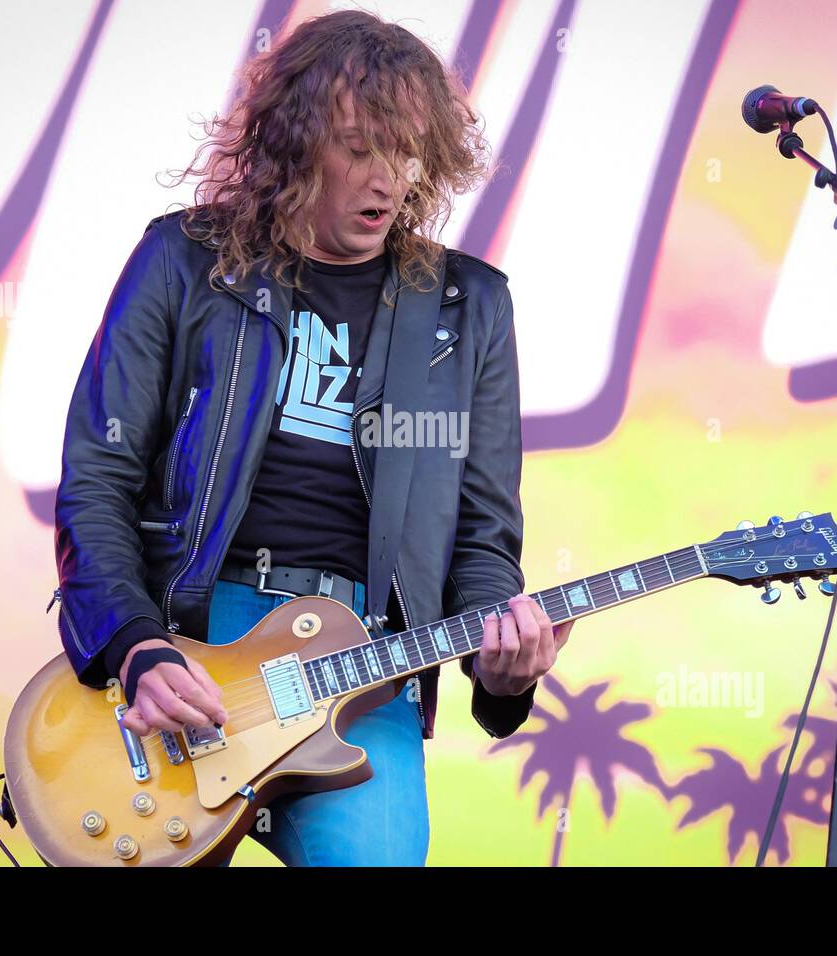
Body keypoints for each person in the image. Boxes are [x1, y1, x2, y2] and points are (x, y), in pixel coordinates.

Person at [53, 8, 572, 866]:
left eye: (408, 151)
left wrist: (501, 665)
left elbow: (482, 535)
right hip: (194, 637)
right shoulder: (186, 261)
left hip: (364, 665)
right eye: (361, 146)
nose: (389, 179)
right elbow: (98, 477)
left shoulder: (468, 308)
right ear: (294, 144)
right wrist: (136, 643)